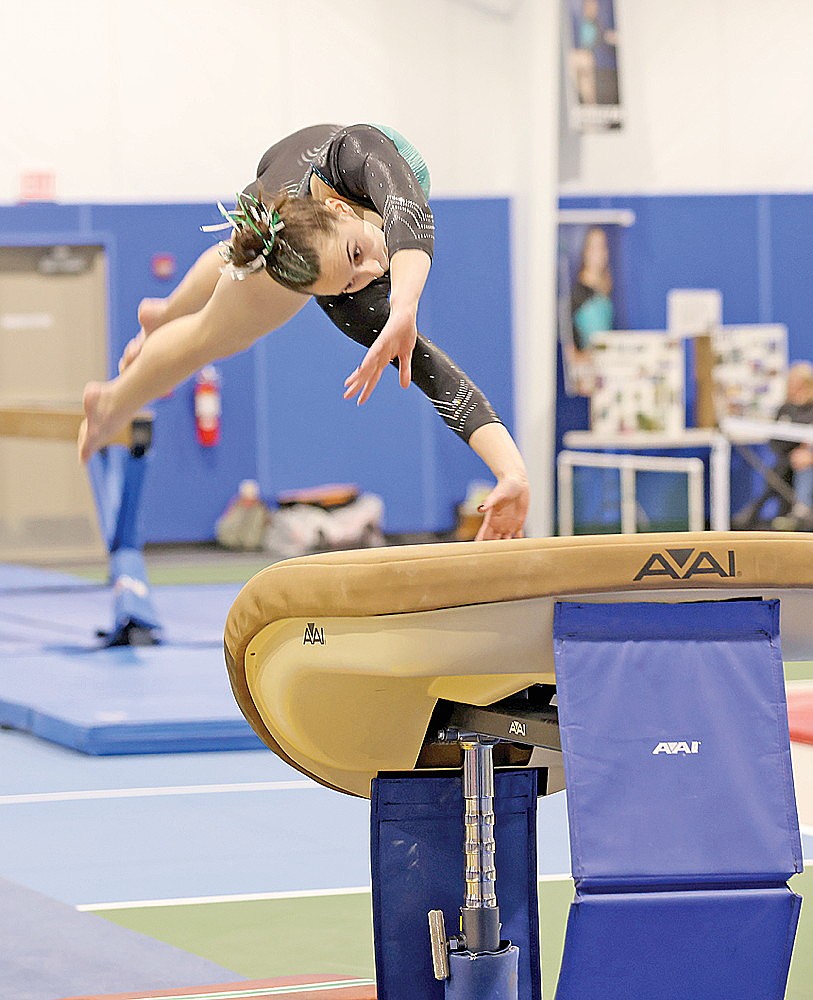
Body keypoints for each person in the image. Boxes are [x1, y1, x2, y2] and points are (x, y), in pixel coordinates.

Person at [79, 123, 529, 540]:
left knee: (232, 276)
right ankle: (113, 401)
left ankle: (164, 313)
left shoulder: (356, 155)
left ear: (338, 207)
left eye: (358, 253)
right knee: (213, 336)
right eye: (351, 279)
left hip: (305, 156)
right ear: (325, 293)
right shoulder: (343, 290)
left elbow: (411, 230)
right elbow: (437, 375)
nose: (374, 269)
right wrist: (512, 472)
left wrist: (511, 472)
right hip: (271, 191)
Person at [770, 361, 813, 530]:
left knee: (803, 461)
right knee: (783, 468)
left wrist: (809, 456)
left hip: (806, 462)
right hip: (788, 461)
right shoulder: (785, 408)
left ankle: (802, 511)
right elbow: (776, 441)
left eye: (799, 384)